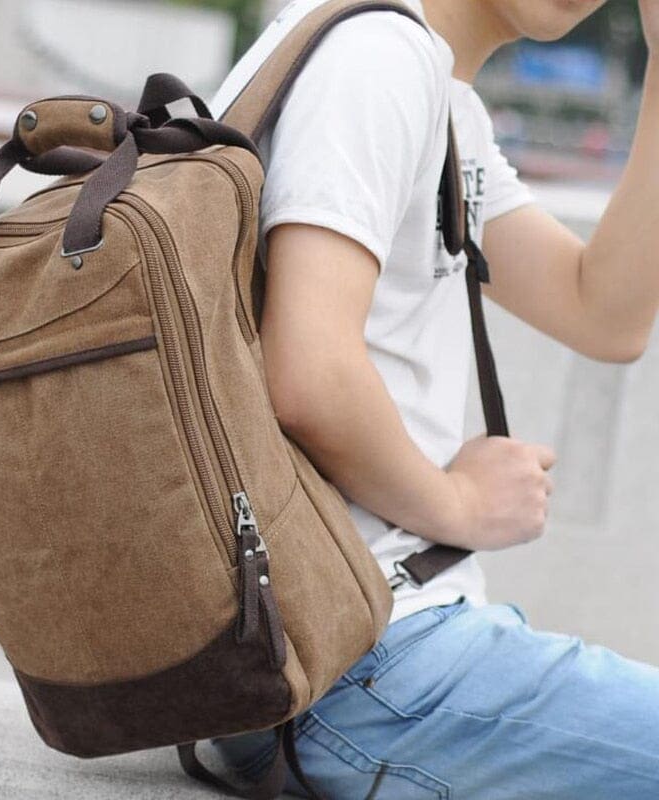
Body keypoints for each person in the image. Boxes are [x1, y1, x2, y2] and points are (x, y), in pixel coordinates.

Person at [206, 0, 659, 797]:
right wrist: (459, 504)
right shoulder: (376, 59)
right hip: (352, 668)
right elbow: (309, 371)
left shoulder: (438, 92)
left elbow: (604, 312)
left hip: (372, 650)